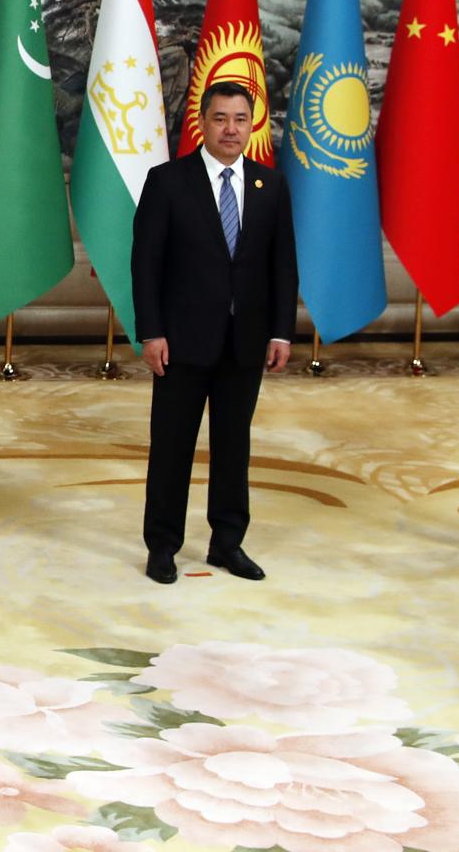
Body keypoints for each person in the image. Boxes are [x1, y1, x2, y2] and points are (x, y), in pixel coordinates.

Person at [131, 81, 296, 584]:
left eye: (240, 119)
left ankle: (228, 543)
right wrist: (151, 332)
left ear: (253, 125)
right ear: (202, 123)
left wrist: (281, 332)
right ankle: (163, 545)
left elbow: (283, 267)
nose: (231, 129)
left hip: (245, 341)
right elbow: (145, 265)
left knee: (233, 446)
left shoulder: (271, 186)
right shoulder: (168, 181)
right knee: (172, 446)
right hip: (180, 342)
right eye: (221, 118)